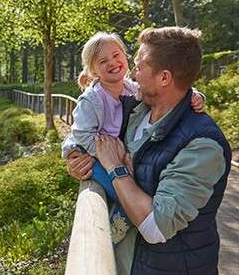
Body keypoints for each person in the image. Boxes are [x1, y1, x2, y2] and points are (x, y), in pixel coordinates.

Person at [67, 27, 231, 274]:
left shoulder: (202, 144)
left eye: (139, 67)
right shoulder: (138, 108)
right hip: (132, 261)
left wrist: (114, 167)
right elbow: (84, 131)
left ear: (164, 78)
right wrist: (77, 158)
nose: (132, 73)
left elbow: (156, 228)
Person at [61, 31, 205, 242]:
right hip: (96, 154)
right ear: (93, 71)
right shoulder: (92, 99)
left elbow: (174, 87)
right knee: (118, 190)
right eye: (103, 61)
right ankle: (117, 225)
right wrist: (105, 155)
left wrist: (195, 94)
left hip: (117, 153)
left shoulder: (132, 87)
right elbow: (80, 134)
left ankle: (129, 219)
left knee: (129, 184)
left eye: (116, 55)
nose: (113, 62)